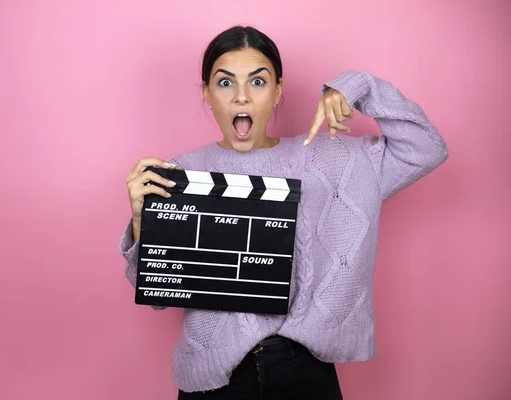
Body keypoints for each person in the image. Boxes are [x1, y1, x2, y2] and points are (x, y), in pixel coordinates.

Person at [119, 25, 448, 399]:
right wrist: (142, 222)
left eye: (257, 83)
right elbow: (160, 296)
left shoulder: (334, 160)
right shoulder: (182, 172)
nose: (241, 98)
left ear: (277, 91)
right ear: (207, 94)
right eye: (225, 84)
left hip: (304, 368)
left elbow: (425, 148)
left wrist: (358, 87)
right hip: (214, 373)